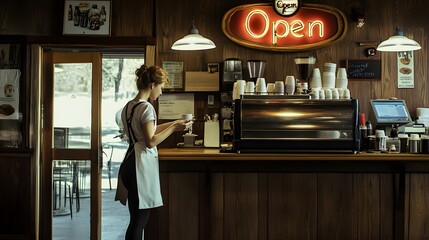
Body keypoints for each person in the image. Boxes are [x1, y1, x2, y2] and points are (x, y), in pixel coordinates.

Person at [115, 65, 192, 239]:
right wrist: (173, 129)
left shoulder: (129, 106)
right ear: (152, 85)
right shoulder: (147, 108)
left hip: (128, 163)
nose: (161, 92)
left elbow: (146, 131)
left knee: (135, 219)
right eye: (161, 87)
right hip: (139, 166)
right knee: (139, 222)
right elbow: (150, 141)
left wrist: (174, 123)